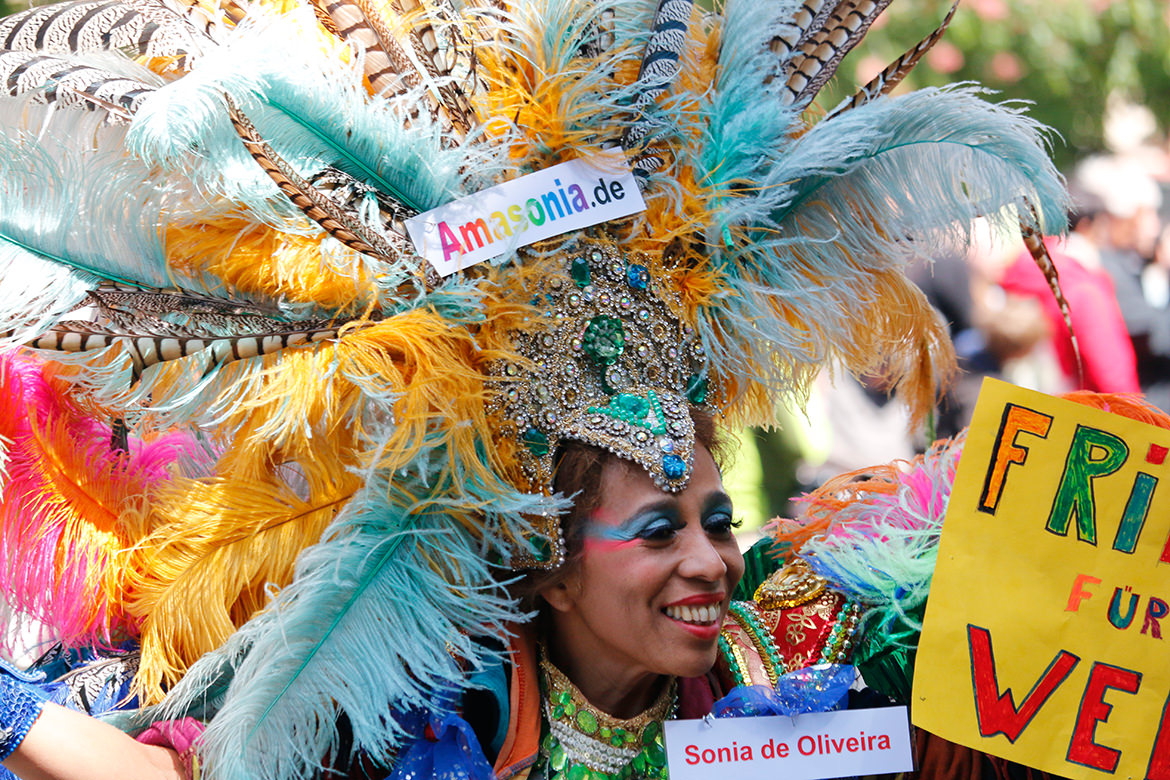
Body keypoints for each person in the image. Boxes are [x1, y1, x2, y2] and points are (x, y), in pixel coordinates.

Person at [0, 0, 1068, 777]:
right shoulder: (438, 706)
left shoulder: (783, 662)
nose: (711, 561)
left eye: (714, 519)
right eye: (657, 531)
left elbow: (1013, 592)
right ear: (546, 572)